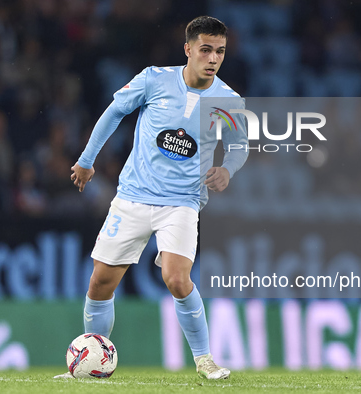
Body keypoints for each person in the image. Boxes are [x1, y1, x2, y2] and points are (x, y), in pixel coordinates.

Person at [54, 16, 248, 380]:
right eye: (205, 50)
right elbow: (114, 112)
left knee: (177, 278)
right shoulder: (154, 79)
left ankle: (204, 359)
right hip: (133, 197)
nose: (213, 58)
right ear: (188, 49)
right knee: (100, 283)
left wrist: (227, 169)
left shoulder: (228, 100)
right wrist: (86, 160)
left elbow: (239, 146)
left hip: (183, 202)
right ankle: (91, 363)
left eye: (220, 51)